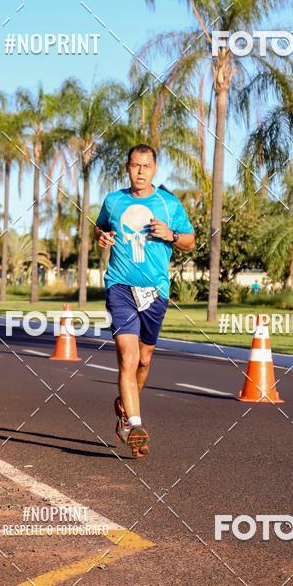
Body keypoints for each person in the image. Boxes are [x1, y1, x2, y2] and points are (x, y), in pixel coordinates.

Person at [94, 144, 195, 458]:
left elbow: (190, 241)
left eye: (146, 166)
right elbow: (100, 227)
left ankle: (125, 407)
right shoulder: (114, 201)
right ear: (127, 167)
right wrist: (101, 236)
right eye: (135, 165)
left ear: (154, 169)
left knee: (145, 359)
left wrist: (172, 236)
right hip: (120, 286)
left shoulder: (168, 204)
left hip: (156, 290)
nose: (140, 171)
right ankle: (134, 425)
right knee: (128, 356)